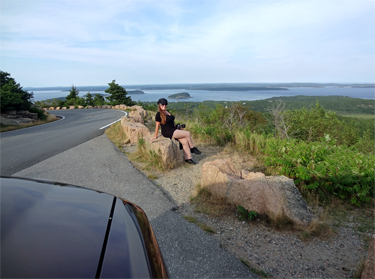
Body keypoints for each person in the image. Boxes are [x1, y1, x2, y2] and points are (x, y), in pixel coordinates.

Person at [150, 98, 201, 164]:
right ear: (159, 105)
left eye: (165, 104)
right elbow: (157, 126)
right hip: (168, 132)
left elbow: (171, 122)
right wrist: (155, 136)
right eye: (162, 104)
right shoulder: (158, 114)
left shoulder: (167, 111)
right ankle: (192, 148)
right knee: (187, 133)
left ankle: (188, 159)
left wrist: (177, 126)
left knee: (185, 141)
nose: (164, 106)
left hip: (173, 129)